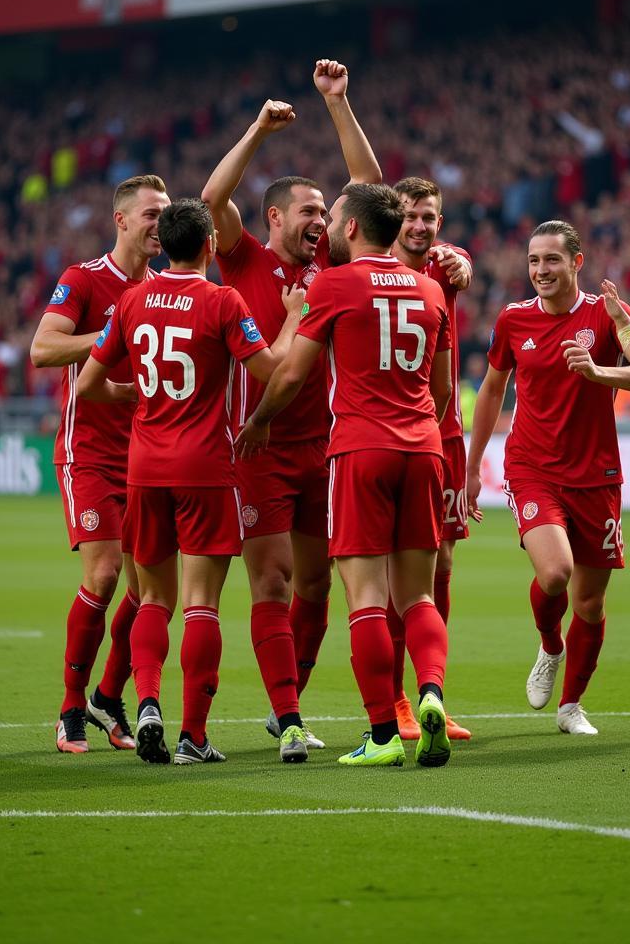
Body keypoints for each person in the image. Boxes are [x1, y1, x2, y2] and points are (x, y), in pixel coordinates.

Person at [75, 198, 307, 763]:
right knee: (201, 604)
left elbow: (86, 386)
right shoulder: (223, 300)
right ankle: (193, 736)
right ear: (208, 246)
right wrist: (296, 316)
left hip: (144, 469)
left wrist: (131, 395)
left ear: (166, 245)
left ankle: (147, 701)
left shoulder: (132, 300)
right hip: (205, 467)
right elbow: (271, 366)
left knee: (152, 598)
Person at [237, 183, 454, 768]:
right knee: (418, 596)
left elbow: (289, 377)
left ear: (353, 228)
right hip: (423, 448)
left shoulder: (332, 285)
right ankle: (431, 693)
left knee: (364, 599)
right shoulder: (432, 289)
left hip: (360, 450)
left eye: (334, 217)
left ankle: (383, 734)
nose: (329, 224)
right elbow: (442, 390)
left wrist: (258, 421)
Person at [201, 60, 381, 752]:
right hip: (254, 445)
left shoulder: (333, 262)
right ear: (275, 217)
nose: (320, 222)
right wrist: (257, 129)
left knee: (315, 584)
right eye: (309, 212)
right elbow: (214, 196)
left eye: (323, 215)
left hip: (321, 446)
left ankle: (288, 703)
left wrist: (338, 102)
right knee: (271, 580)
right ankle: (292, 719)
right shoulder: (241, 257)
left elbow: (368, 190)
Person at [466, 220, 630, 736]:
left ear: (576, 262)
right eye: (534, 261)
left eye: (551, 260)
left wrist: (601, 372)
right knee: (556, 573)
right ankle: (549, 643)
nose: (541, 270)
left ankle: (571, 706)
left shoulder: (606, 314)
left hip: (597, 475)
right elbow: (492, 391)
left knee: (591, 602)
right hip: (532, 468)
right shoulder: (513, 320)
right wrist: (471, 467)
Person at [31, 174, 170, 755]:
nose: (160, 223)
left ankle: (109, 696)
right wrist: (111, 335)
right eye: (151, 214)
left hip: (147, 455)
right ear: (121, 220)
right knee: (106, 575)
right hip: (88, 453)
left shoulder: (167, 289)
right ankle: (69, 704)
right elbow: (43, 349)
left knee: (148, 591)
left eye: (166, 214)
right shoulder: (84, 280)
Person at [387, 176, 473, 742]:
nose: (420, 226)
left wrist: (461, 261)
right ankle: (395, 699)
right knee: (396, 574)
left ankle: (430, 692)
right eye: (411, 216)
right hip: (392, 435)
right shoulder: (368, 263)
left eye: (430, 218)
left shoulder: (446, 267)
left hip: (444, 438)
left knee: (441, 564)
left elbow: (459, 261)